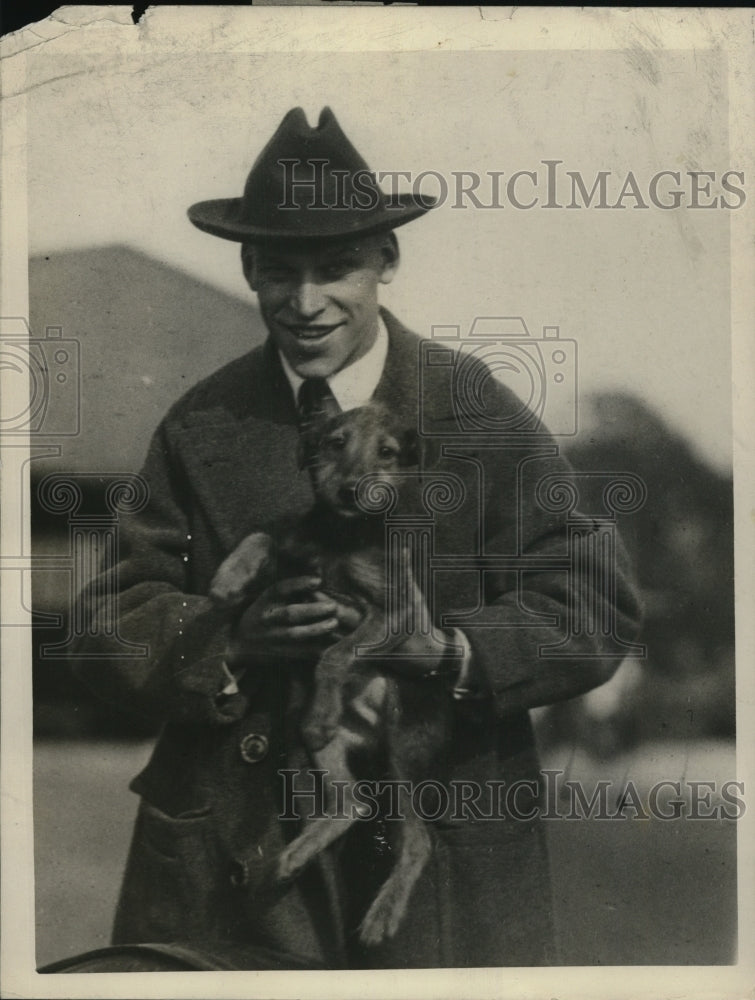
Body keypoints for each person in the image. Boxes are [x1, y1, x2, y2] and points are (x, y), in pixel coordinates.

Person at [71, 107, 641, 969]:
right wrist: (225, 641)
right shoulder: (203, 421)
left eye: (334, 268)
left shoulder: (474, 410)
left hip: (440, 833)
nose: (305, 304)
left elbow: (591, 599)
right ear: (248, 268)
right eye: (278, 272)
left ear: (387, 261)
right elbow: (111, 614)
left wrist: (452, 651)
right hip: (234, 843)